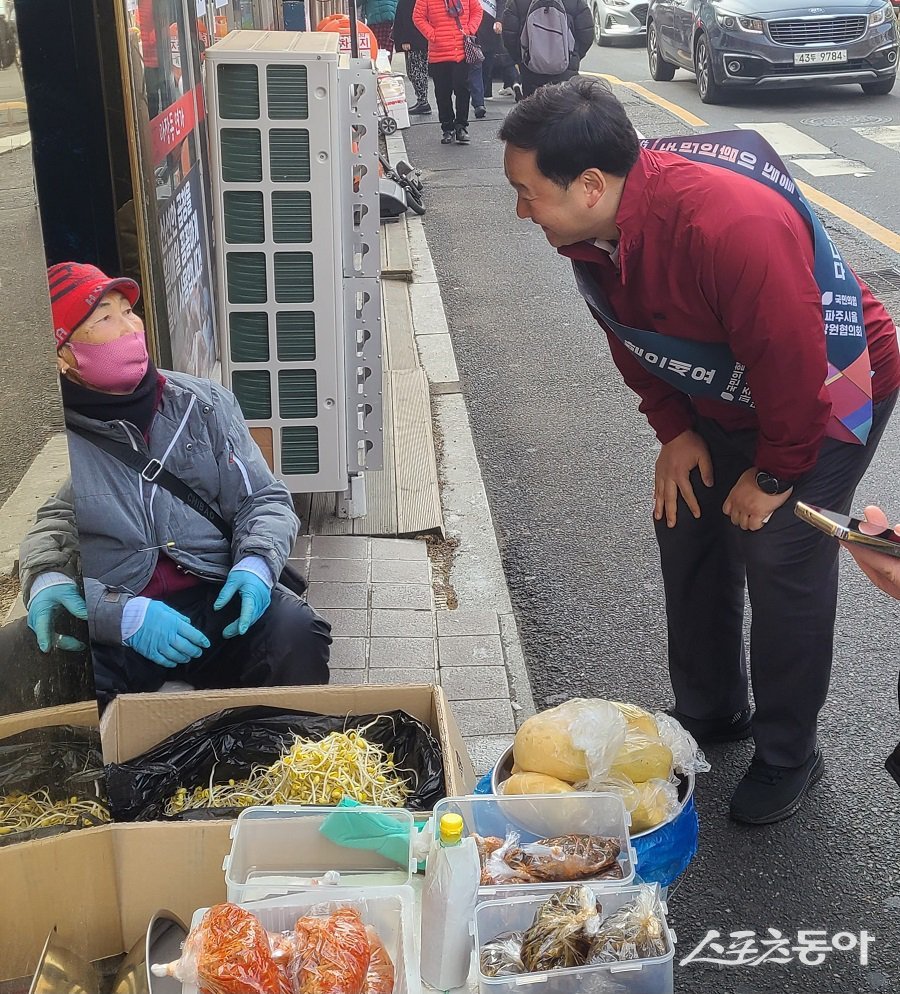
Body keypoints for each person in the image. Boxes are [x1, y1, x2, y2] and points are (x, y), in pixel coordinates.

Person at [499, 79, 900, 825]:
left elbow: (791, 359)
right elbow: (626, 334)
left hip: (827, 383)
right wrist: (675, 431)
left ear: (590, 185)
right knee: (686, 517)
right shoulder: (590, 229)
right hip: (723, 388)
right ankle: (714, 713)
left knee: (779, 548)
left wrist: (777, 473)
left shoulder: (726, 224)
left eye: (527, 193)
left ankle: (789, 753)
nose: (521, 210)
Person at [20, 263, 332, 707]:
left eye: (128, 310)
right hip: (125, 615)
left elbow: (263, 499)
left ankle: (281, 761)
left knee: (294, 634)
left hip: (214, 596)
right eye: (104, 318)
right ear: (62, 354)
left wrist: (257, 566)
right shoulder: (61, 437)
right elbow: (53, 525)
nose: (129, 326)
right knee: (59, 681)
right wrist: (87, 599)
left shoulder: (201, 404)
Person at [414, 0, 482, 145]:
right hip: (439, 54)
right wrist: (433, 35)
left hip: (462, 50)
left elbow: (477, 11)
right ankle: (447, 127)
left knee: (463, 89)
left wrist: (470, 29)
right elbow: (418, 17)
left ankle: (461, 126)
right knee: (442, 92)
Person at [501, 0, 592, 98]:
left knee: (534, 108)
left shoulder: (517, 2)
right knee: (564, 109)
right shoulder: (576, 2)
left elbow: (509, 36)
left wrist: (522, 59)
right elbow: (586, 34)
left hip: (531, 71)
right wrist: (574, 56)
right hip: (566, 71)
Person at [394, 0, 431, 113]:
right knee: (419, 69)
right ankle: (422, 100)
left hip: (415, 39)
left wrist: (405, 39)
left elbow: (407, 16)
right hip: (422, 37)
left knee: (416, 70)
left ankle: (423, 101)